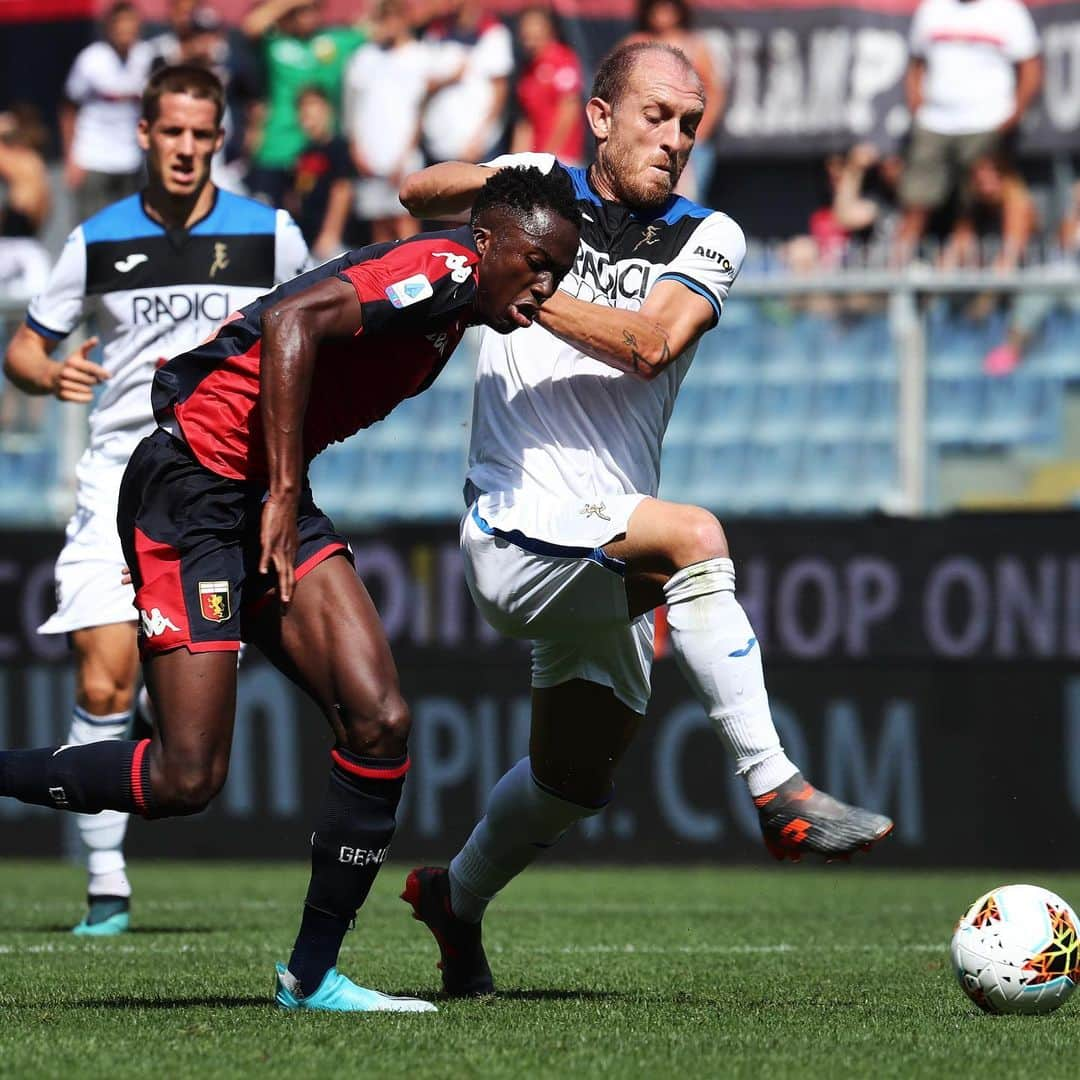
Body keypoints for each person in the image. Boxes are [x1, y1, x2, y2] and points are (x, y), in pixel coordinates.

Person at [0, 165, 581, 1012]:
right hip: (194, 488)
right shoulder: (448, 268)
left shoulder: (460, 304)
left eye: (559, 271)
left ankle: (311, 976)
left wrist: (277, 491)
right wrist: (276, 495)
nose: (546, 284)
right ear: (487, 241)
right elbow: (290, 321)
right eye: (535, 262)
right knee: (184, 779)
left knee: (379, 719)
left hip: (268, 489)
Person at [397, 41, 894, 998]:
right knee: (698, 535)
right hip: (514, 523)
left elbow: (652, 343)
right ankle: (776, 786)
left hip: (603, 532)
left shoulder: (710, 234)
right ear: (599, 117)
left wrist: (529, 286)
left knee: (572, 781)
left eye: (691, 126)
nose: (675, 141)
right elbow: (420, 192)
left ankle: (452, 900)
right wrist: (505, 182)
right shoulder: (532, 192)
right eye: (657, 117)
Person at [2, 65, 310, 937]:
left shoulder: (273, 236)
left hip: (219, 487)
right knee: (103, 669)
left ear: (221, 139)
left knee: (185, 721)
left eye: (200, 135)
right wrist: (46, 369)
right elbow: (26, 348)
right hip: (116, 476)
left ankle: (132, 741)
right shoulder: (97, 240)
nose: (184, 149)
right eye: (170, 132)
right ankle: (106, 881)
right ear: (143, 134)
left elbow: (319, 324)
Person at [894, 0, 1042, 263]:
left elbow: (1030, 68)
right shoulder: (932, 8)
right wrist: (917, 105)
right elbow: (916, 63)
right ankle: (894, 276)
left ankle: (988, 273)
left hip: (987, 123)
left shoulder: (1008, 10)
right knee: (917, 203)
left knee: (972, 209)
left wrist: (1012, 115)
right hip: (934, 123)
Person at [242, 0, 367, 207]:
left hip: (318, 149)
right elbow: (250, 26)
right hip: (276, 146)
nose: (307, 16)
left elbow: (375, 26)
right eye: (301, 12)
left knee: (311, 217)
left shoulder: (335, 41)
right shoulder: (275, 42)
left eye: (312, 9)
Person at [343, 0, 432, 244]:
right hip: (370, 154)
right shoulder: (364, 56)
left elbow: (420, 111)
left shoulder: (419, 55)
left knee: (405, 221)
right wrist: (356, 148)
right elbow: (352, 108)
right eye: (384, 18)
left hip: (403, 155)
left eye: (394, 18)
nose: (389, 25)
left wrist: (405, 155)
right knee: (378, 226)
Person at [61, 1, 155, 222]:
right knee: (94, 231)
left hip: (132, 160)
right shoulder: (91, 60)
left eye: (130, 24)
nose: (125, 30)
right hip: (94, 158)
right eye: (120, 24)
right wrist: (71, 158)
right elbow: (68, 107)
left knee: (129, 231)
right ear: (109, 27)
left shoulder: (147, 57)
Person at [621, 0, 723, 202]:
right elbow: (615, 87)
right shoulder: (635, 43)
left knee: (687, 199)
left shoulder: (695, 45)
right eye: (656, 8)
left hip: (688, 143)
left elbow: (715, 92)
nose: (662, 14)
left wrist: (698, 133)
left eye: (667, 7)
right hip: (646, 139)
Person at [421, 0, 514, 164]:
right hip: (438, 145)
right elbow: (423, 84)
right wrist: (448, 79)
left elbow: (500, 92)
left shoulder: (493, 33)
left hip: (478, 148)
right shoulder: (435, 33)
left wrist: (480, 139)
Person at [510, 7, 585, 166]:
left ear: (548, 30)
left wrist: (547, 155)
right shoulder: (527, 71)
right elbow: (526, 121)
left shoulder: (563, 60)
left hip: (561, 158)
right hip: (535, 160)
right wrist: (514, 161)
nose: (530, 39)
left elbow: (569, 111)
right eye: (526, 33)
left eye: (535, 31)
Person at [288, 86, 353, 258]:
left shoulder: (338, 148)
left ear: (327, 111)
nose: (308, 118)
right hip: (308, 236)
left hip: (330, 242)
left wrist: (330, 233)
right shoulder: (304, 152)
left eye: (313, 111)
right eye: (303, 112)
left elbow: (342, 191)